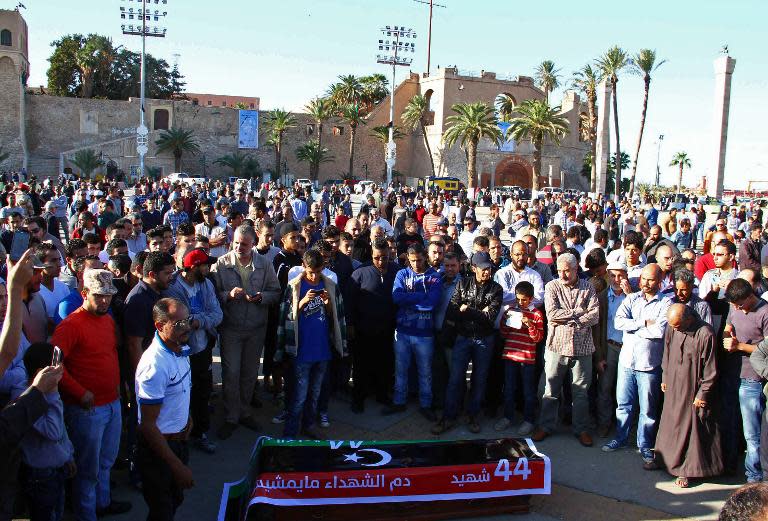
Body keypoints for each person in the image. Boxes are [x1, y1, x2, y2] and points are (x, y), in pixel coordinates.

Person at [51, 269, 132, 520]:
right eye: (99, 296)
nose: (105, 301)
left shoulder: (107, 319)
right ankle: (87, 514)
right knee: (88, 470)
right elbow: (55, 367)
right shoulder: (70, 326)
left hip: (112, 403)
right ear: (84, 293)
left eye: (108, 296)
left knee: (106, 461)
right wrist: (79, 392)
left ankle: (103, 503)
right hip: (87, 409)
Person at [212, 225, 281, 439]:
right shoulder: (221, 264)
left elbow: (275, 291)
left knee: (250, 373)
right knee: (231, 373)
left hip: (256, 328)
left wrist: (262, 297)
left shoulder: (264, 263)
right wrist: (228, 295)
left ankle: (244, 411)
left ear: (253, 243)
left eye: (244, 243)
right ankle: (232, 415)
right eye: (236, 243)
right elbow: (213, 295)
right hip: (231, 328)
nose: (239, 247)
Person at [603, 264, 671, 466]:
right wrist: (643, 323)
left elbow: (659, 331)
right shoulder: (631, 298)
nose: (646, 283)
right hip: (627, 361)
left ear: (659, 281)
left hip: (648, 365)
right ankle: (621, 437)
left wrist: (634, 326)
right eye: (643, 278)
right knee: (623, 404)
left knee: (647, 410)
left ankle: (644, 444)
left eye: (650, 279)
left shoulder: (665, 303)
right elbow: (619, 322)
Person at [647, 304, 722, 488]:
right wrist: (665, 375)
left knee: (690, 429)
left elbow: (711, 369)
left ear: (689, 319)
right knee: (668, 424)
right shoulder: (674, 328)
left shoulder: (705, 333)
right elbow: (667, 351)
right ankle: (662, 459)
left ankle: (685, 470)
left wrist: (703, 393)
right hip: (673, 385)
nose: (675, 329)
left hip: (692, 389)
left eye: (678, 326)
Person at [276, 249, 347, 439]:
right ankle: (290, 431)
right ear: (304, 266)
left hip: (323, 350)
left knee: (315, 394)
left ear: (323, 267)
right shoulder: (294, 287)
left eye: (317, 271)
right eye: (310, 272)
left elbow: (336, 318)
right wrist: (302, 303)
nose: (314, 276)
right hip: (302, 351)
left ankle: (308, 425)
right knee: (299, 396)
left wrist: (327, 304)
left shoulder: (330, 285)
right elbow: (286, 319)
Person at [135, 298, 195, 520]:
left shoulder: (180, 348)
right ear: (160, 326)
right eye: (179, 323)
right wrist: (176, 465)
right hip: (159, 451)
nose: (187, 327)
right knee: (162, 510)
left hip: (178, 442)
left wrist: (186, 417)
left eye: (188, 320)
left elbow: (179, 392)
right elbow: (148, 426)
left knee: (174, 500)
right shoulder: (154, 365)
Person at [532, 253, 599, 447]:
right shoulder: (552, 286)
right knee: (550, 390)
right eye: (559, 270)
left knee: (581, 392)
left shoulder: (588, 287)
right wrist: (579, 312)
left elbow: (594, 316)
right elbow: (552, 315)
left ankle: (581, 429)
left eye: (566, 271)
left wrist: (571, 318)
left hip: (583, 347)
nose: (562, 274)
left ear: (576, 268)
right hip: (557, 346)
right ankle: (546, 426)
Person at [432, 252, 503, 434]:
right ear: (473, 268)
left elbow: (490, 318)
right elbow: (454, 311)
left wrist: (468, 309)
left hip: (484, 338)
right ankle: (448, 417)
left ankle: (473, 415)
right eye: (483, 269)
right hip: (463, 337)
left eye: (489, 268)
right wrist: (478, 312)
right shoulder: (463, 284)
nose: (487, 272)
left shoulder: (496, 289)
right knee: (455, 379)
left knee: (479, 380)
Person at [163, 248, 223, 455]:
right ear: (192, 267)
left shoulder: (206, 284)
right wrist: (195, 322)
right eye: (205, 264)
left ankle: (200, 433)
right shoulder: (174, 289)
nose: (208, 268)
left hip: (202, 348)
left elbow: (217, 314)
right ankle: (178, 435)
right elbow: (181, 323)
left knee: (202, 390)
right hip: (182, 351)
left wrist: (199, 322)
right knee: (180, 393)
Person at [14, 342, 76, 521]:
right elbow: (53, 431)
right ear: (42, 372)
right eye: (57, 367)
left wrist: (68, 454)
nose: (62, 371)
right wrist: (53, 393)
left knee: (58, 513)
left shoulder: (49, 393)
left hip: (58, 467)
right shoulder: (25, 399)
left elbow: (62, 428)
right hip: (40, 477)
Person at [384, 243, 441, 419]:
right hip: (402, 332)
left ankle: (426, 404)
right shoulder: (402, 273)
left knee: (425, 372)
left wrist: (409, 299)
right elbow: (396, 297)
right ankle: (399, 401)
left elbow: (431, 303)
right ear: (408, 258)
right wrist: (420, 297)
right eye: (413, 260)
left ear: (425, 257)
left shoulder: (434, 277)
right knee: (400, 369)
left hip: (424, 334)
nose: (416, 264)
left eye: (419, 260)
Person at [724, 278, 768, 483]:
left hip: (753, 379)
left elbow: (766, 350)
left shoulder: (765, 312)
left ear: (751, 296)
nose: (737, 309)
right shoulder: (735, 307)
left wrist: (739, 346)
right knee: (733, 425)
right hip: (733, 373)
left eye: (740, 304)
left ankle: (754, 476)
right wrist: (727, 334)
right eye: (733, 305)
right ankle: (731, 464)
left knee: (752, 433)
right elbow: (728, 325)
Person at [348, 239, 397, 413]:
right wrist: (351, 324)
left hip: (387, 329)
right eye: (377, 258)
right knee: (362, 365)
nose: (381, 261)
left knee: (384, 363)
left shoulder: (396, 271)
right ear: (371, 254)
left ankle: (382, 394)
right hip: (363, 328)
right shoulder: (360, 272)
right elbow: (350, 302)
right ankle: (358, 398)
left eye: (385, 257)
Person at [494, 280, 544, 437]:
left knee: (528, 391)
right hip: (510, 355)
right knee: (508, 389)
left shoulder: (536, 314)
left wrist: (529, 324)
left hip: (527, 359)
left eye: (524, 299)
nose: (521, 302)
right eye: (518, 298)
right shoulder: (512, 310)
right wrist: (505, 320)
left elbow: (538, 338)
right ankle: (508, 417)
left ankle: (528, 420)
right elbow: (504, 334)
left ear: (531, 298)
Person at [595, 262, 630, 437]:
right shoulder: (601, 297)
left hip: (628, 349)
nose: (617, 280)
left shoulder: (634, 296)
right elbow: (597, 328)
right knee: (605, 388)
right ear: (607, 276)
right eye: (613, 276)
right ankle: (604, 423)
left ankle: (624, 428)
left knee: (625, 391)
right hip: (609, 347)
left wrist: (630, 295)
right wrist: (599, 356)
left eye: (621, 275)